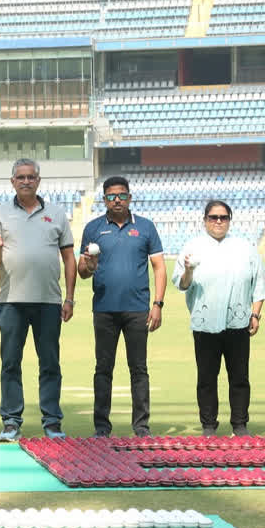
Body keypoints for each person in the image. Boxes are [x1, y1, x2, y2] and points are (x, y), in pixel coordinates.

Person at [0, 159, 77, 441]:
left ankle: (52, 422)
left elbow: (69, 258)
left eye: (31, 177)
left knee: (50, 363)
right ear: (12, 181)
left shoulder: (57, 213)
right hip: (11, 301)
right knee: (10, 362)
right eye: (20, 177)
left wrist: (70, 298)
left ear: (39, 180)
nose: (26, 181)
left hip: (49, 301)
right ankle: (11, 422)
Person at [173, 200, 265, 437]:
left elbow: (259, 282)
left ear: (230, 220)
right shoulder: (192, 247)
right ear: (205, 219)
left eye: (223, 217)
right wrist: (188, 270)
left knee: (239, 376)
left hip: (238, 322)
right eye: (213, 217)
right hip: (205, 322)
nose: (218, 221)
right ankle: (208, 425)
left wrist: (256, 313)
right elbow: (182, 284)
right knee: (206, 378)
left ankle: (240, 423)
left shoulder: (244, 247)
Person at [78, 175, 166, 438]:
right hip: (104, 308)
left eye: (122, 195)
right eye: (111, 196)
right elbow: (83, 271)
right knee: (103, 369)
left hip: (137, 309)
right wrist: (89, 266)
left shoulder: (146, 227)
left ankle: (141, 427)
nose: (117, 200)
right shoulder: (93, 228)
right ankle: (101, 427)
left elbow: (159, 267)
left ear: (130, 197)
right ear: (104, 199)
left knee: (138, 369)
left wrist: (158, 303)